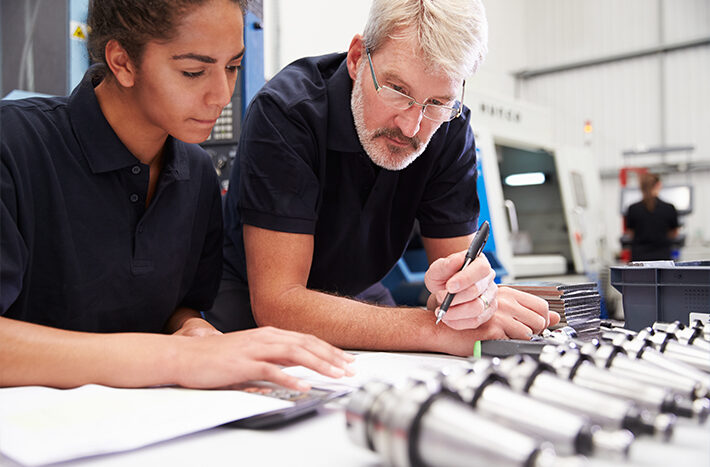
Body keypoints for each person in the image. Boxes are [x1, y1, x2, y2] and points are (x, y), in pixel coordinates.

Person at [0, 0, 353, 391]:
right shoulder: (14, 146)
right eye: (193, 71)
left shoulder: (196, 172)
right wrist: (178, 359)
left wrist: (193, 329)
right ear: (122, 62)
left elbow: (176, 308)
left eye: (232, 67)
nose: (221, 94)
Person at [210, 0, 559, 356]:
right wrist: (433, 331)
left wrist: (474, 298)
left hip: (358, 293)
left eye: (437, 102)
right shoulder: (287, 115)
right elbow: (279, 303)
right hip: (252, 300)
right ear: (358, 57)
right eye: (397, 90)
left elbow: (456, 286)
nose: (412, 126)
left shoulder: (449, 129)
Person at [625, 173, 679, 261]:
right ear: (658, 185)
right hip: (662, 259)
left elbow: (630, 234)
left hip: (639, 259)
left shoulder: (633, 209)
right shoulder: (669, 208)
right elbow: (674, 233)